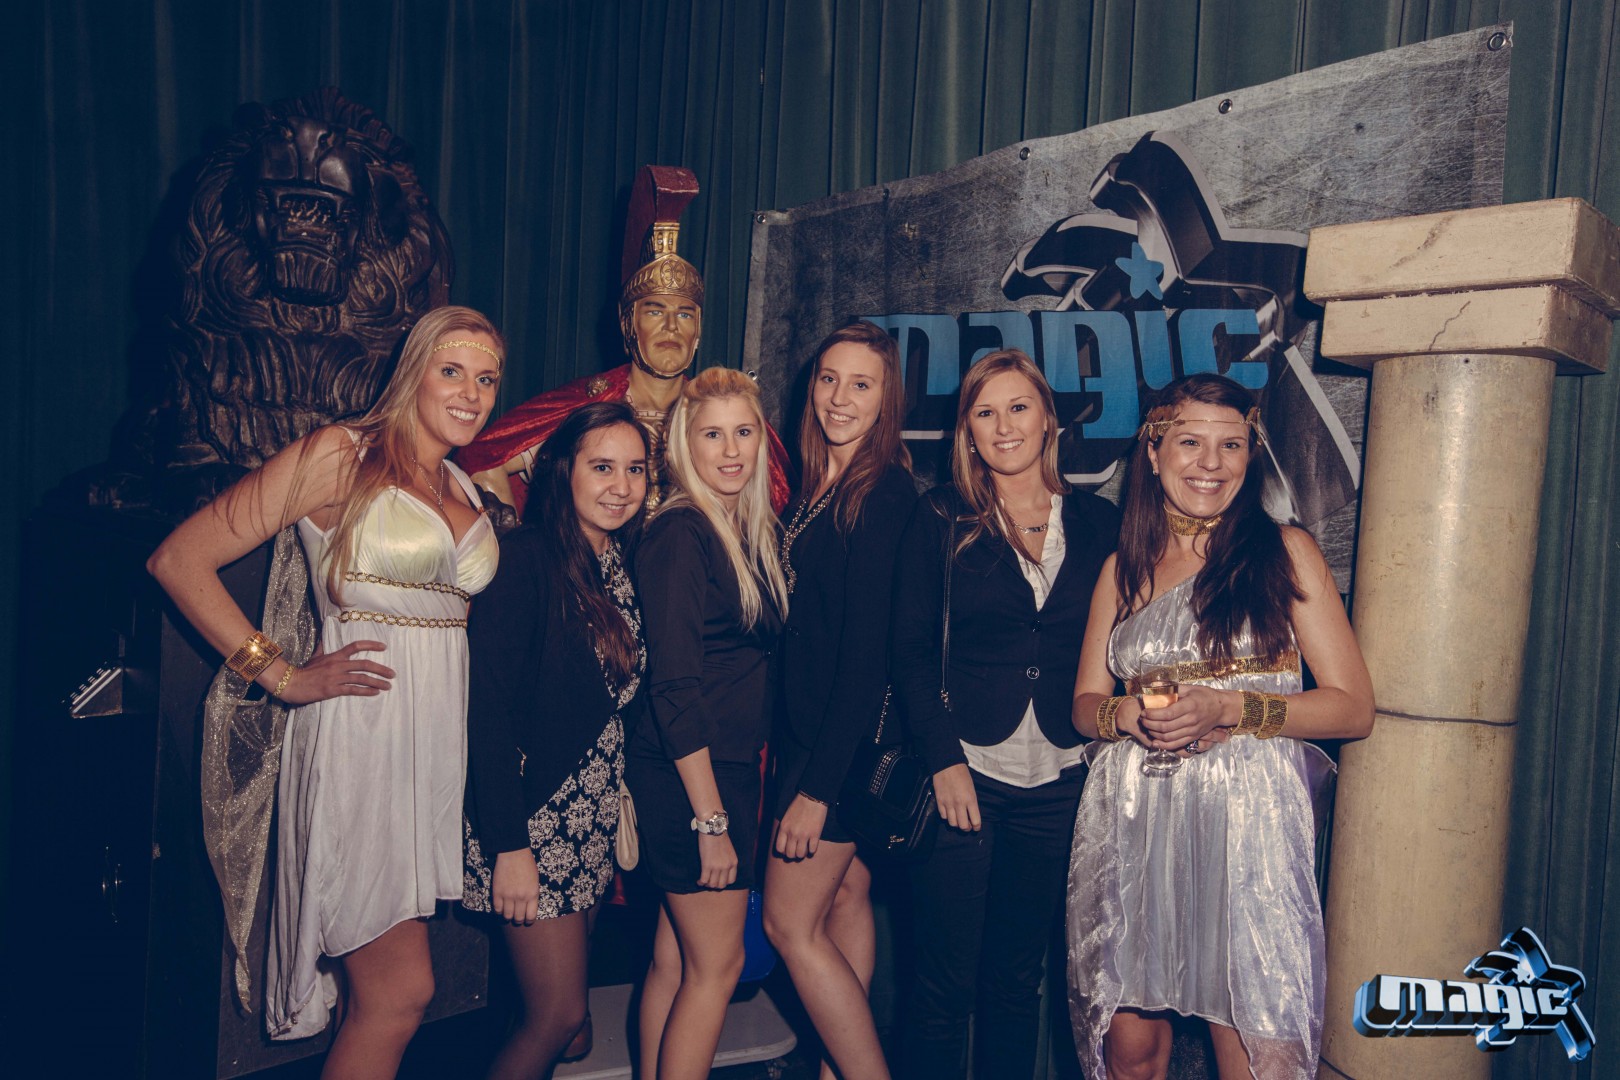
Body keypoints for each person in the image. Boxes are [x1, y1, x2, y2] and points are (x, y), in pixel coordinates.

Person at [147, 306, 504, 1077]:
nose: (471, 393)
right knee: (401, 992)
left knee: (375, 996)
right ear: (412, 373)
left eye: (487, 379)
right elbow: (179, 560)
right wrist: (280, 674)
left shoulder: (460, 484)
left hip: (429, 756)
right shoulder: (341, 454)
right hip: (360, 743)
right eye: (452, 371)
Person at [1067, 373, 1374, 1080]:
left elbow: (1352, 707)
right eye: (1190, 442)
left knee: (1253, 1049)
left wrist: (1231, 708)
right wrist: (1123, 715)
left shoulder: (1284, 551)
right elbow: (1084, 703)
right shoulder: (1123, 569)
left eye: (1231, 445)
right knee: (1130, 1053)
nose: (1211, 462)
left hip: (1247, 826)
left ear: (1251, 454)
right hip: (1135, 819)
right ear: (1153, 451)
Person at [889, 350, 1121, 1080]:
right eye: (984, 413)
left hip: (1061, 781)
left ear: (1048, 419)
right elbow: (909, 651)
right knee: (942, 988)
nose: (1004, 425)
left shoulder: (1101, 522)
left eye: (1019, 407)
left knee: (1018, 983)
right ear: (967, 431)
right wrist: (943, 760)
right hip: (967, 774)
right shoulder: (940, 516)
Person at [461, 401, 650, 1079]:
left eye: (635, 469)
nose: (621, 486)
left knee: (565, 1029)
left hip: (588, 819)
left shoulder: (616, 561)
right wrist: (509, 847)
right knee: (559, 1018)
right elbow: (485, 713)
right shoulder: (526, 558)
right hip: (534, 822)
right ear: (563, 470)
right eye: (602, 467)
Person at [762, 321, 917, 1080]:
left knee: (788, 925)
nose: (840, 397)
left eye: (861, 384)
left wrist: (818, 790)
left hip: (840, 748)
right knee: (845, 895)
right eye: (829, 379)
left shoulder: (882, 492)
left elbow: (866, 658)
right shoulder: (824, 484)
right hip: (815, 733)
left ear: (887, 399)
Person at [456, 168, 790, 517]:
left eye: (685, 314)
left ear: (698, 328)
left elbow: (774, 502)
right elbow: (483, 460)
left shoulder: (717, 413)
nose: (672, 327)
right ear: (627, 322)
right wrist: (510, 534)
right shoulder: (584, 406)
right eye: (655, 312)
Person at [627, 367, 789, 1080]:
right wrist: (711, 819)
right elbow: (674, 686)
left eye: (743, 432)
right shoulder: (680, 532)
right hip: (692, 777)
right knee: (717, 968)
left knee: (676, 962)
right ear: (682, 445)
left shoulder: (741, 529)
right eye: (712, 434)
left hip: (714, 769)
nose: (730, 450)